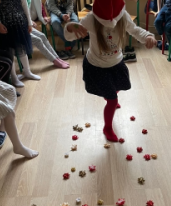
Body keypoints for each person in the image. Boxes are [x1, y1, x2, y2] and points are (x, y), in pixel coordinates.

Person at [64, 0, 157, 142]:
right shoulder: (91, 18)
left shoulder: (123, 16)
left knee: (118, 86)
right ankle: (107, 127)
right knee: (113, 101)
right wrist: (70, 27)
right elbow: (70, 36)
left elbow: (135, 30)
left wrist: (148, 36)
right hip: (97, 66)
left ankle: (110, 95)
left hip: (116, 63)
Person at [0, 0, 41, 87]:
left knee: (22, 48)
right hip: (4, 25)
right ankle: (14, 78)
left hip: (20, 23)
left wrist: (29, 23)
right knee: (10, 52)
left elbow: (24, 5)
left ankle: (27, 72)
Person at [27, 0, 70, 69]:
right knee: (38, 40)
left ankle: (57, 58)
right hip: (20, 26)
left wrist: (43, 16)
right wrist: (29, 22)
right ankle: (55, 60)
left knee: (42, 36)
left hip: (25, 23)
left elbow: (40, 6)